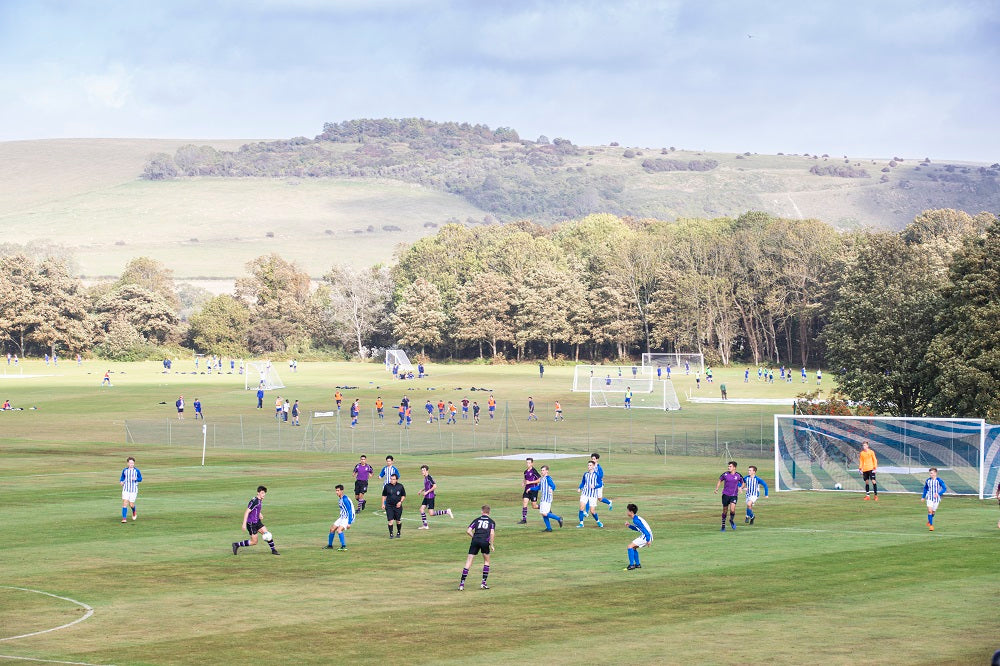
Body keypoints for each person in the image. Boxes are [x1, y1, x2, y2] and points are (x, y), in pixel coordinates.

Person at [232, 486, 279, 555]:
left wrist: (259, 513)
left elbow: (255, 509)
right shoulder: (255, 501)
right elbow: (247, 512)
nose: (264, 494)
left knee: (267, 534)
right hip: (251, 524)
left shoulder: (259, 500)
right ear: (258, 493)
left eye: (264, 493)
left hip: (257, 521)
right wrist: (244, 524)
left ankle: (273, 550)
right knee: (254, 542)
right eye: (262, 493)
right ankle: (236, 545)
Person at [459, 505, 495, 590]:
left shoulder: (477, 520)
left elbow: (468, 531)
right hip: (485, 541)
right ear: (489, 512)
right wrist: (492, 544)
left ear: (482, 512)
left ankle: (461, 584)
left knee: (468, 562)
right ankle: (483, 583)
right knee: (486, 561)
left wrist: (474, 537)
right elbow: (492, 533)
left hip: (475, 540)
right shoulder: (491, 522)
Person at [418, 464, 454, 529]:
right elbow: (427, 486)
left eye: (423, 470)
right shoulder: (426, 478)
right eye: (422, 470)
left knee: (431, 513)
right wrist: (421, 490)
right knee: (421, 509)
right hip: (426, 497)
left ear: (427, 471)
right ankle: (425, 525)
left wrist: (427, 492)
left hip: (430, 497)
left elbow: (435, 486)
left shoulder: (429, 478)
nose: (422, 471)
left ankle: (447, 511)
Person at [714, 461, 744, 531]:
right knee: (725, 511)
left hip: (734, 495)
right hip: (725, 495)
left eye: (730, 466)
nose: (728, 467)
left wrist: (741, 487)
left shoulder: (738, 475)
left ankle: (731, 520)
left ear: (734, 468)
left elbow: (743, 482)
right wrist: (717, 489)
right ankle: (723, 526)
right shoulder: (725, 474)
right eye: (728, 466)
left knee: (732, 510)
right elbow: (719, 480)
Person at [325, 484, 355, 550]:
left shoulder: (345, 499)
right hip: (342, 517)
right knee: (332, 529)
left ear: (342, 491)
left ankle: (343, 546)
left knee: (339, 530)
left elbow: (350, 511)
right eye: (336, 491)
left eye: (338, 491)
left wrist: (349, 523)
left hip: (347, 518)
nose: (336, 492)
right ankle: (330, 546)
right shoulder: (340, 499)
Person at [624, 503, 653, 570]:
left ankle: (631, 565)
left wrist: (648, 540)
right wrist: (629, 526)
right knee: (633, 548)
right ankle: (637, 564)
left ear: (631, 512)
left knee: (629, 546)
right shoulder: (636, 518)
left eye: (628, 511)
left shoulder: (636, 520)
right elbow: (639, 529)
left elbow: (644, 529)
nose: (627, 512)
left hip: (646, 535)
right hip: (647, 535)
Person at [577, 460, 603, 528]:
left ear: (593, 466)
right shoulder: (585, 474)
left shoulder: (596, 475)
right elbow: (583, 482)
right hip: (585, 493)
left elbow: (600, 484)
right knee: (581, 508)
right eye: (588, 465)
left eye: (590, 465)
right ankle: (581, 523)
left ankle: (598, 521)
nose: (589, 466)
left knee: (592, 511)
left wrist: (595, 486)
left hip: (593, 495)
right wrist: (580, 487)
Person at [536, 465, 563, 531]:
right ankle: (549, 528)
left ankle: (559, 518)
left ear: (547, 471)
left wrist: (552, 489)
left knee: (544, 513)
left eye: (543, 470)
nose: (542, 472)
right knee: (543, 514)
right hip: (543, 498)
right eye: (541, 470)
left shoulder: (548, 478)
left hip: (547, 498)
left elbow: (553, 485)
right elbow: (539, 487)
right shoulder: (542, 479)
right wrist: (531, 488)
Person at [382, 474, 406, 539]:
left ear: (396, 480)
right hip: (389, 506)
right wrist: (383, 504)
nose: (392, 480)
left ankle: (398, 532)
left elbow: (403, 495)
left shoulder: (400, 486)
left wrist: (400, 502)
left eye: (393, 479)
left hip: (397, 506)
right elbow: (384, 495)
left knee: (398, 520)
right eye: (391, 479)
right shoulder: (387, 486)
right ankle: (391, 534)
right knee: (390, 520)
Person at [119, 456, 142, 523]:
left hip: (133, 490)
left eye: (132, 463)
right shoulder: (125, 470)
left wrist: (136, 479)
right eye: (130, 463)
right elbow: (122, 477)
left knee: (131, 504)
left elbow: (140, 479)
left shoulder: (137, 471)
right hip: (126, 489)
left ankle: (134, 511)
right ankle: (124, 518)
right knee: (125, 502)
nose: (131, 464)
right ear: (127, 463)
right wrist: (121, 481)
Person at [519, 457, 541, 524]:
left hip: (533, 490)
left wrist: (530, 482)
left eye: (529, 463)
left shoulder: (534, 471)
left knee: (534, 506)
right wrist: (523, 482)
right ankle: (524, 519)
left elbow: (539, 480)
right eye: (527, 463)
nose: (528, 464)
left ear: (532, 463)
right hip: (527, 490)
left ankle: (544, 508)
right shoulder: (525, 472)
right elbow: (525, 479)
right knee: (525, 503)